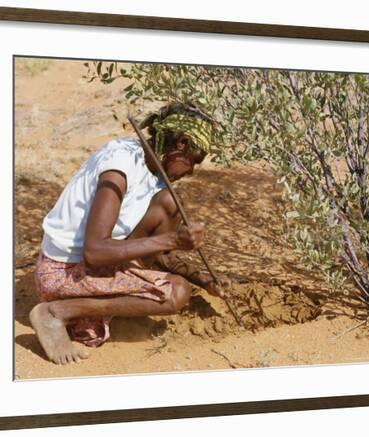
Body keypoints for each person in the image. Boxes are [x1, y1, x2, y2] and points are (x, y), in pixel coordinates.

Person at [30, 101, 231, 365]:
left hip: (90, 265)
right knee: (176, 292)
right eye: (193, 162)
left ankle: (88, 305)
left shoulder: (152, 172)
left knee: (169, 204)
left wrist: (203, 280)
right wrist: (173, 239)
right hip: (62, 273)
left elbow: (159, 254)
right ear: (180, 145)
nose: (191, 171)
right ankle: (57, 312)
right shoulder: (119, 167)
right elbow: (95, 252)